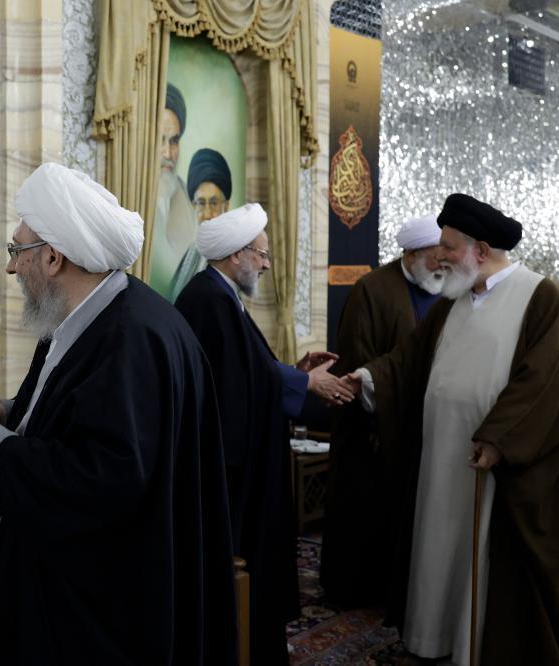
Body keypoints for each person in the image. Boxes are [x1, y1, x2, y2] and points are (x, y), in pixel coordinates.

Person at [0, 163, 238, 665]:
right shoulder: (87, 318)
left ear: (52, 258)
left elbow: (105, 479)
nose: (10, 269)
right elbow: (79, 411)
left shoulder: (130, 339)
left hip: (102, 613)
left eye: (16, 251)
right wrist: (4, 409)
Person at [346, 193, 559, 665]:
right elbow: (407, 360)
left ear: (480, 251)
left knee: (480, 556)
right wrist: (366, 378)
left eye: (448, 247)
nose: (440, 256)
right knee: (437, 547)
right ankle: (433, 637)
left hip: (490, 465)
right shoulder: (452, 301)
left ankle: (474, 646)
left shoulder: (540, 297)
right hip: (439, 460)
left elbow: (544, 380)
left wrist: (498, 438)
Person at [173, 202, 354, 665]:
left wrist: (294, 371)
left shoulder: (221, 295)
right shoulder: (208, 300)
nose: (267, 264)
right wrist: (303, 384)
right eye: (262, 253)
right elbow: (234, 383)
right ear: (237, 254)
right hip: (232, 470)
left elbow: (245, 372)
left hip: (244, 458)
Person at [321, 213, 443, 607]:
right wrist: (385, 410)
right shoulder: (372, 290)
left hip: (422, 427)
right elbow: (359, 359)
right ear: (411, 255)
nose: (441, 264)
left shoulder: (445, 289)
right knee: (365, 516)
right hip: (371, 428)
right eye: (435, 256)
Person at [149, 83, 198, 296]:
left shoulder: (189, 199)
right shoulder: (131, 196)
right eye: (160, 140)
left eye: (174, 141)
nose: (168, 153)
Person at [167, 147, 233, 302]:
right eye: (201, 203)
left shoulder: (235, 259)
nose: (207, 214)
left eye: (214, 203)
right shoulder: (191, 254)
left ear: (226, 206)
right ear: (193, 206)